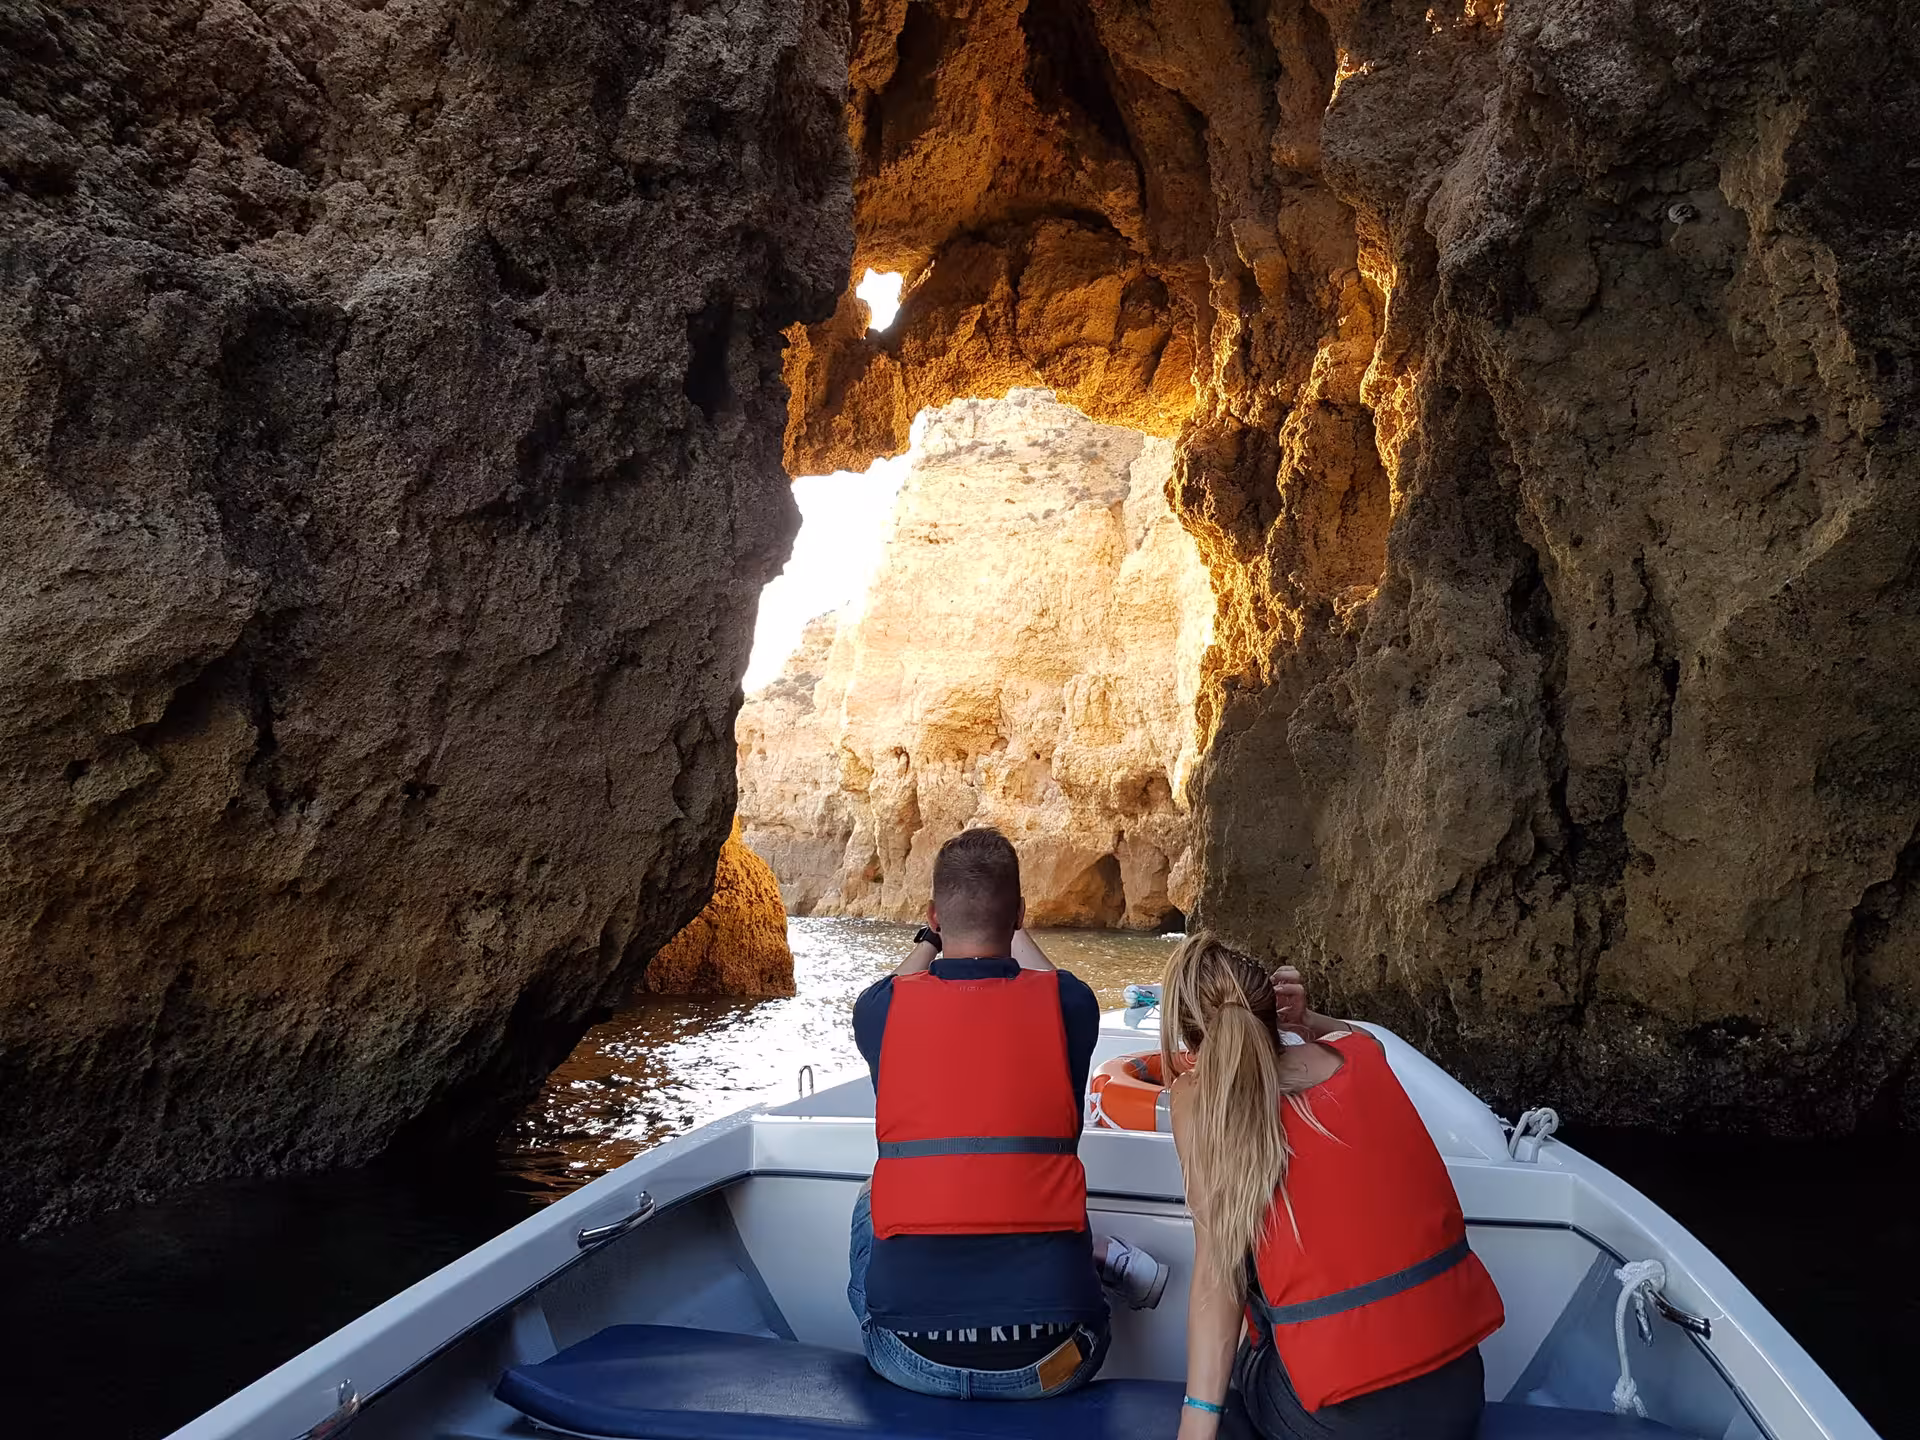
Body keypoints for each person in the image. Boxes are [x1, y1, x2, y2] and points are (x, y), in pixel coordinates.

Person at [846, 826, 1166, 1399]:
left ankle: (1091, 1258)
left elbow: (901, 980)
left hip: (909, 1357)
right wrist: (1014, 927)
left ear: (934, 916)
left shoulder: (880, 1012)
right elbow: (1045, 978)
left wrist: (929, 936)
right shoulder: (1069, 1005)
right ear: (1019, 914)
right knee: (1044, 1192)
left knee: (873, 1194)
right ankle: (1096, 1260)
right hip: (1057, 1359)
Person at [1163, 932, 1504, 1440]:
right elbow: (1360, 1036)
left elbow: (1220, 1276)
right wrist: (1309, 1022)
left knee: (1246, 1318)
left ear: (1191, 1039)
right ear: (1274, 1015)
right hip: (1458, 1396)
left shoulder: (1197, 1102)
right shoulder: (1363, 1056)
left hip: (1340, 1424)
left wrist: (1195, 1423)